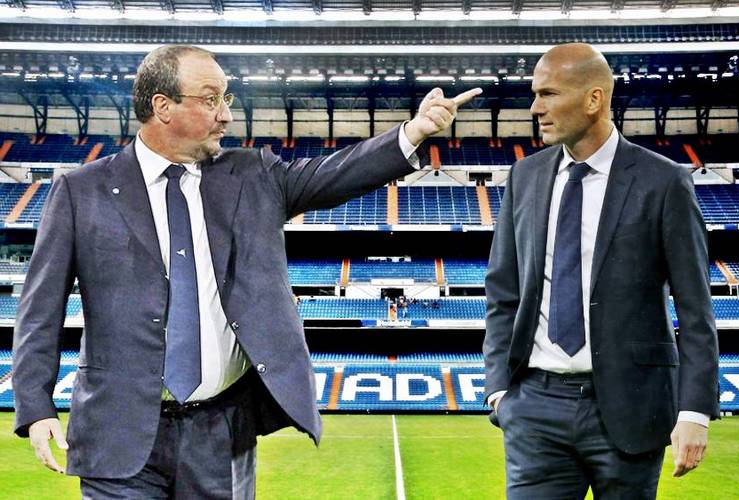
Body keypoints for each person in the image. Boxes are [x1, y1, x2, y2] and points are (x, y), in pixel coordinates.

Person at [12, 44, 480, 499]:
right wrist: (35, 405)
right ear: (163, 106)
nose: (226, 115)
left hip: (221, 431)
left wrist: (414, 131)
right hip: (115, 429)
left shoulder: (254, 174)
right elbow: (40, 309)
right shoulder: (81, 190)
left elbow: (336, 173)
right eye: (210, 99)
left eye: (226, 99)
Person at [483, 43, 719, 499]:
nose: (535, 109)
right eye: (535, 95)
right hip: (535, 407)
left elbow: (695, 308)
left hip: (632, 406)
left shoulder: (664, 181)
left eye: (549, 94)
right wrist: (499, 390)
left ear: (594, 99)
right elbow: (503, 290)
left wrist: (694, 411)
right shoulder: (525, 177)